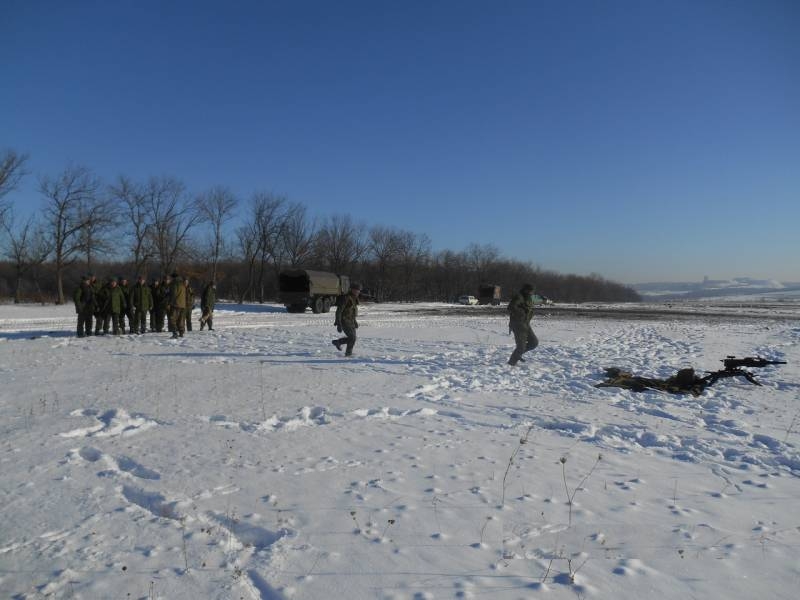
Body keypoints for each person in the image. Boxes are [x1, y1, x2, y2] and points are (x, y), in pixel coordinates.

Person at [507, 283, 539, 366]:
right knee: (521, 347)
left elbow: (535, 301)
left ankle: (517, 354)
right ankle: (511, 364)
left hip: (525, 324)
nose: (532, 293)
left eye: (533, 291)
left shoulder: (528, 298)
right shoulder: (519, 297)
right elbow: (511, 307)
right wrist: (521, 313)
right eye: (530, 291)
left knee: (534, 342)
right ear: (526, 290)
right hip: (518, 325)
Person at [332, 282, 361, 357]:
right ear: (351, 290)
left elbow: (352, 312)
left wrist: (355, 321)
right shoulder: (346, 298)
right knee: (352, 338)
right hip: (344, 321)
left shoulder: (354, 298)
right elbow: (339, 311)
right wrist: (338, 323)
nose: (358, 292)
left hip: (351, 321)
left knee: (353, 339)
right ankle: (348, 354)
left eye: (358, 290)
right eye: (356, 290)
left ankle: (339, 344)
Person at [168, 271, 187, 338]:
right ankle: (181, 333)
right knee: (180, 319)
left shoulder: (174, 284)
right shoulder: (182, 284)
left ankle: (175, 333)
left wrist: (169, 303)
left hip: (176, 304)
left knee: (172, 319)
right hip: (182, 304)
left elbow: (173, 294)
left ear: (173, 277)